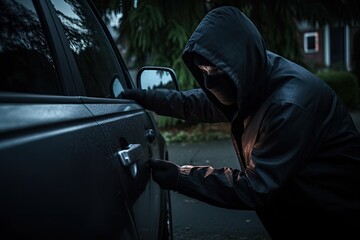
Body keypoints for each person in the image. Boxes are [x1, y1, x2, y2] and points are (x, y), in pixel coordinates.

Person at [120, 6, 360, 239]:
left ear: (236, 63)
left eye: (214, 70)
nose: (208, 80)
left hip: (333, 217)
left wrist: (181, 176)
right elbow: (196, 103)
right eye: (202, 70)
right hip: (306, 211)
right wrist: (144, 97)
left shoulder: (288, 106)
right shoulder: (250, 76)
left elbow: (255, 186)